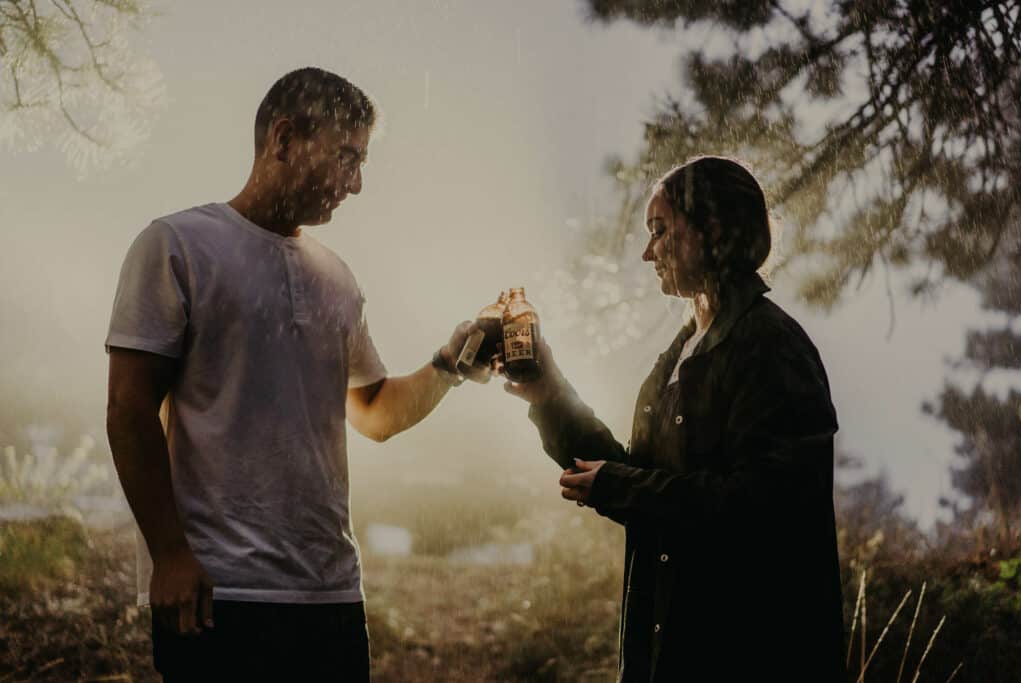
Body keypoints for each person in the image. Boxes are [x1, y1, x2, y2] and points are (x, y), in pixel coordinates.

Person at [105, 67, 479, 682]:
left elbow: (376, 414)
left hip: (331, 597)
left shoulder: (338, 277)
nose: (356, 184)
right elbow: (129, 409)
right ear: (283, 138)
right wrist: (169, 555)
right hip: (218, 597)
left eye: (362, 164)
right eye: (346, 158)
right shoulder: (177, 244)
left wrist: (450, 363)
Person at [505, 156, 846, 682]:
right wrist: (548, 394)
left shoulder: (772, 348)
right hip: (669, 655)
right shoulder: (683, 352)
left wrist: (618, 486)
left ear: (712, 230)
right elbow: (637, 477)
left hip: (749, 656)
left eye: (660, 231)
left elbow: (756, 510)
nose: (648, 253)